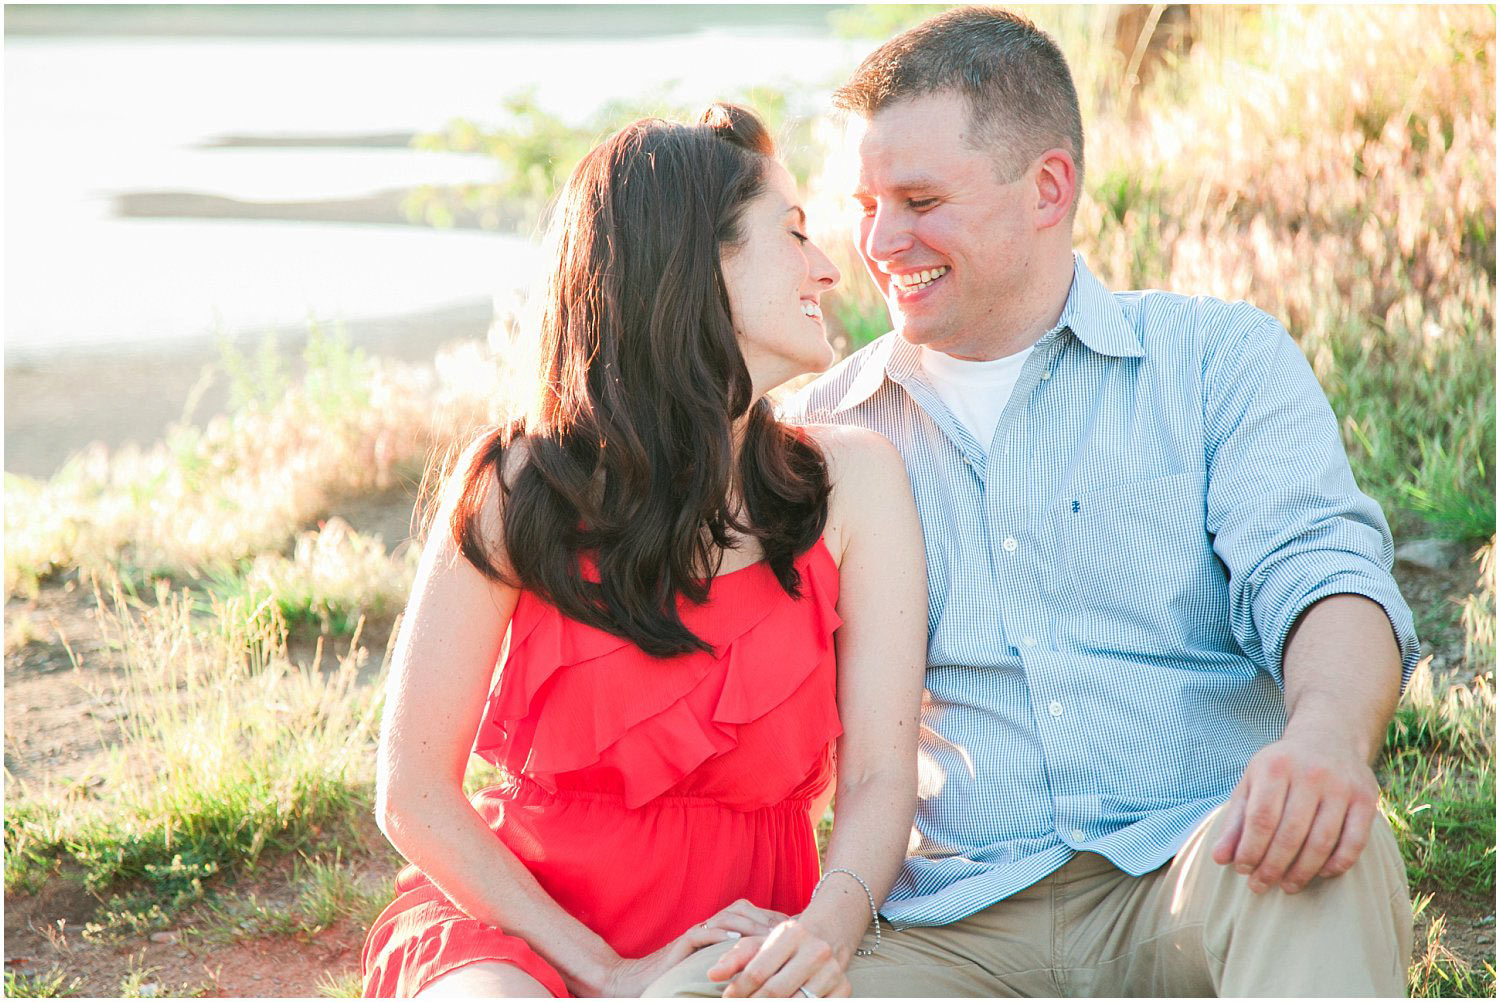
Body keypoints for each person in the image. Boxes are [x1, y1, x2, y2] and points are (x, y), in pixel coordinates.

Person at [650, 8, 1418, 998]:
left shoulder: (1215, 363)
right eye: (864, 203)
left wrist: (1323, 740)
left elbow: (1324, 573)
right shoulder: (814, 438)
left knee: (1331, 861)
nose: (879, 242)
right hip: (945, 929)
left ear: (1048, 187)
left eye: (921, 200)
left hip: (1202, 865)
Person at [360, 104, 927, 998]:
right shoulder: (521, 485)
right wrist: (609, 974)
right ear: (695, 263)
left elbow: (885, 775)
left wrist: (825, 931)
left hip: (739, 940)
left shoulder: (854, 485)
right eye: (792, 234)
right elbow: (414, 794)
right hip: (519, 932)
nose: (827, 267)